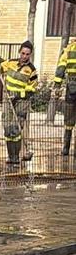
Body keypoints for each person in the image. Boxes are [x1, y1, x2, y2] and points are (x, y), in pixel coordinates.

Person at [0, 41, 38, 166]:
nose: (24, 56)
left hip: (21, 101)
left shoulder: (31, 70)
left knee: (16, 128)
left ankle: (16, 157)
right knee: (7, 128)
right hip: (8, 99)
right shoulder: (11, 62)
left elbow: (32, 89)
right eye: (23, 53)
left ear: (30, 55)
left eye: (27, 54)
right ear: (19, 52)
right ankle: (10, 156)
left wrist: (18, 95)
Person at [53, 27, 76, 161]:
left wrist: (57, 86)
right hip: (71, 88)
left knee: (68, 119)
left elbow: (61, 67)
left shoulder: (69, 49)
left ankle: (66, 148)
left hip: (71, 88)